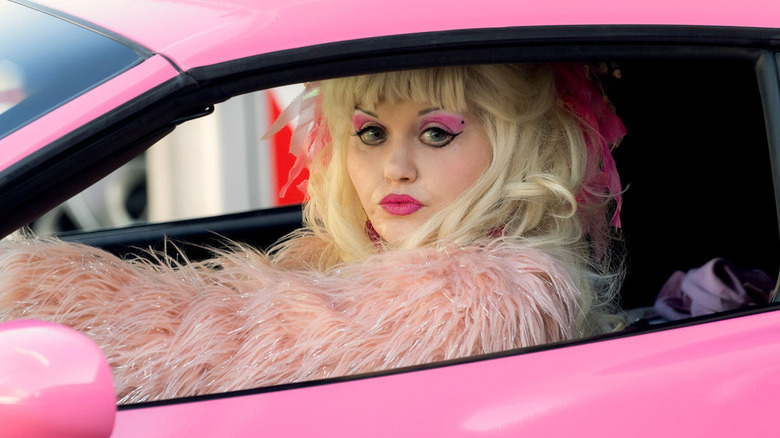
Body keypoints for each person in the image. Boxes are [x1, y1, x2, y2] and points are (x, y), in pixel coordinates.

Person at [0, 63, 625, 404]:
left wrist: (34, 288)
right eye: (370, 133)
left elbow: (219, 355)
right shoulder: (339, 263)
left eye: (437, 133)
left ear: (516, 146)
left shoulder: (486, 298)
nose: (394, 167)